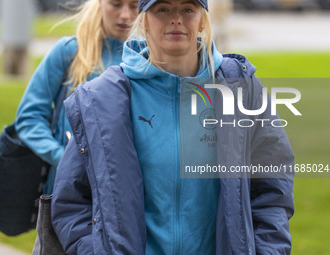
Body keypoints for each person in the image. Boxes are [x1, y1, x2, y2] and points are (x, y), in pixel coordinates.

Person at [51, 0, 295, 254]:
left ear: (202, 20)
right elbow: (71, 202)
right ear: (143, 20)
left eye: (187, 9)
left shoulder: (241, 90)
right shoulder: (102, 99)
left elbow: (272, 190)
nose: (175, 19)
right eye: (163, 9)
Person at [14, 0, 139, 194]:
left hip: (124, 192)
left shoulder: (148, 59)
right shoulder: (69, 51)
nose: (125, 15)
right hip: (68, 192)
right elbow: (29, 117)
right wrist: (63, 158)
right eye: (116, 4)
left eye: (134, 6)